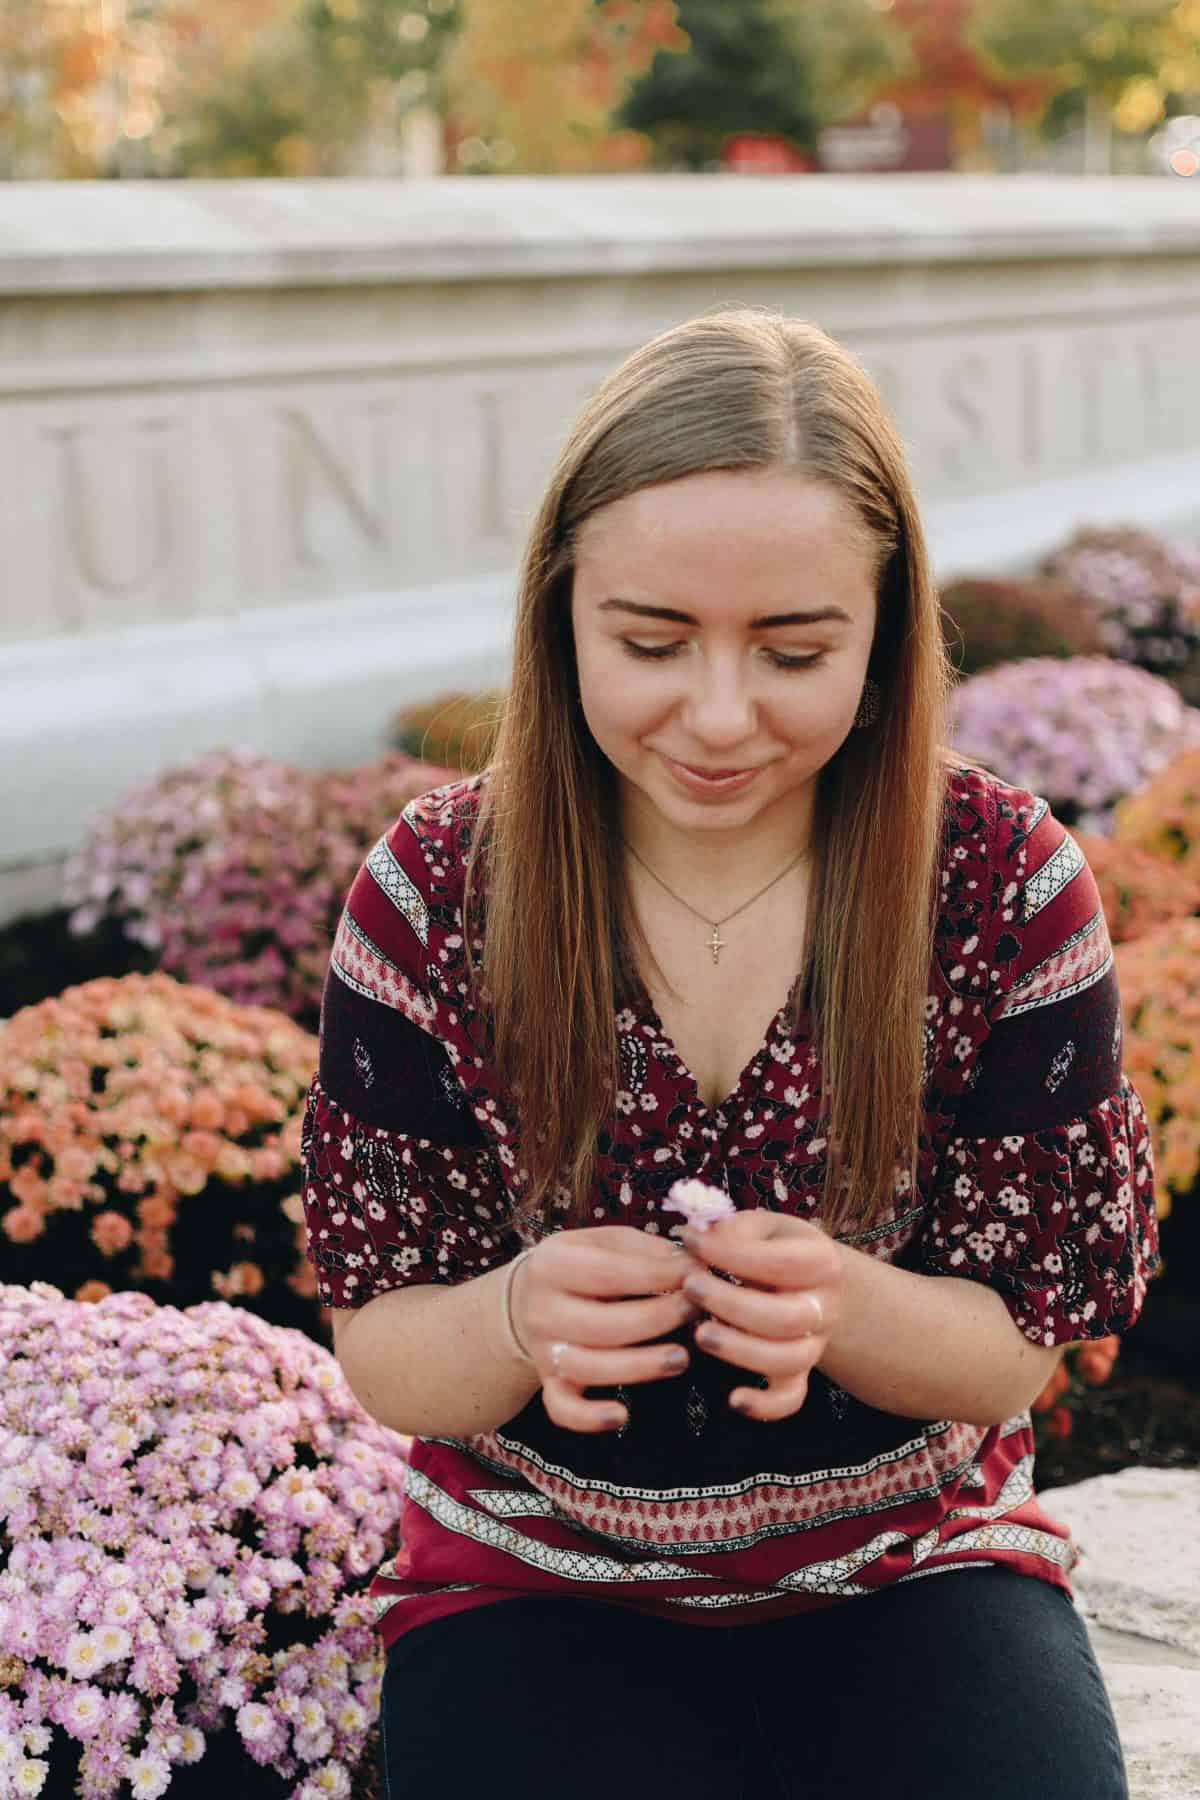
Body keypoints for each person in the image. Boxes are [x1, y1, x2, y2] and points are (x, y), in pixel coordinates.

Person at [299, 307, 1159, 1799]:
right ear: (557, 610)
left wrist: (845, 1307)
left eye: (793, 650)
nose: (715, 716)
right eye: (647, 641)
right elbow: (387, 1346)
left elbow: (1018, 1350)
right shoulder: (437, 891)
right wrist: (512, 1321)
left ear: (885, 635)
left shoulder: (1005, 880)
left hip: (915, 1564)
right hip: (535, 1580)